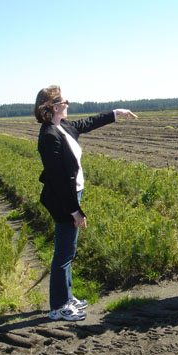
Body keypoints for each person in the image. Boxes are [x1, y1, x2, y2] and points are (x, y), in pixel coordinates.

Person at [34, 85, 137, 321]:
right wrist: (75, 211)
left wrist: (115, 113)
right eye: (64, 101)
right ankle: (58, 306)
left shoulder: (63, 127)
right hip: (63, 200)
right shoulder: (49, 135)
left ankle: (67, 297)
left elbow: (87, 123)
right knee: (63, 253)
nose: (68, 104)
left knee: (68, 250)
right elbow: (58, 181)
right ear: (51, 106)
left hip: (72, 195)